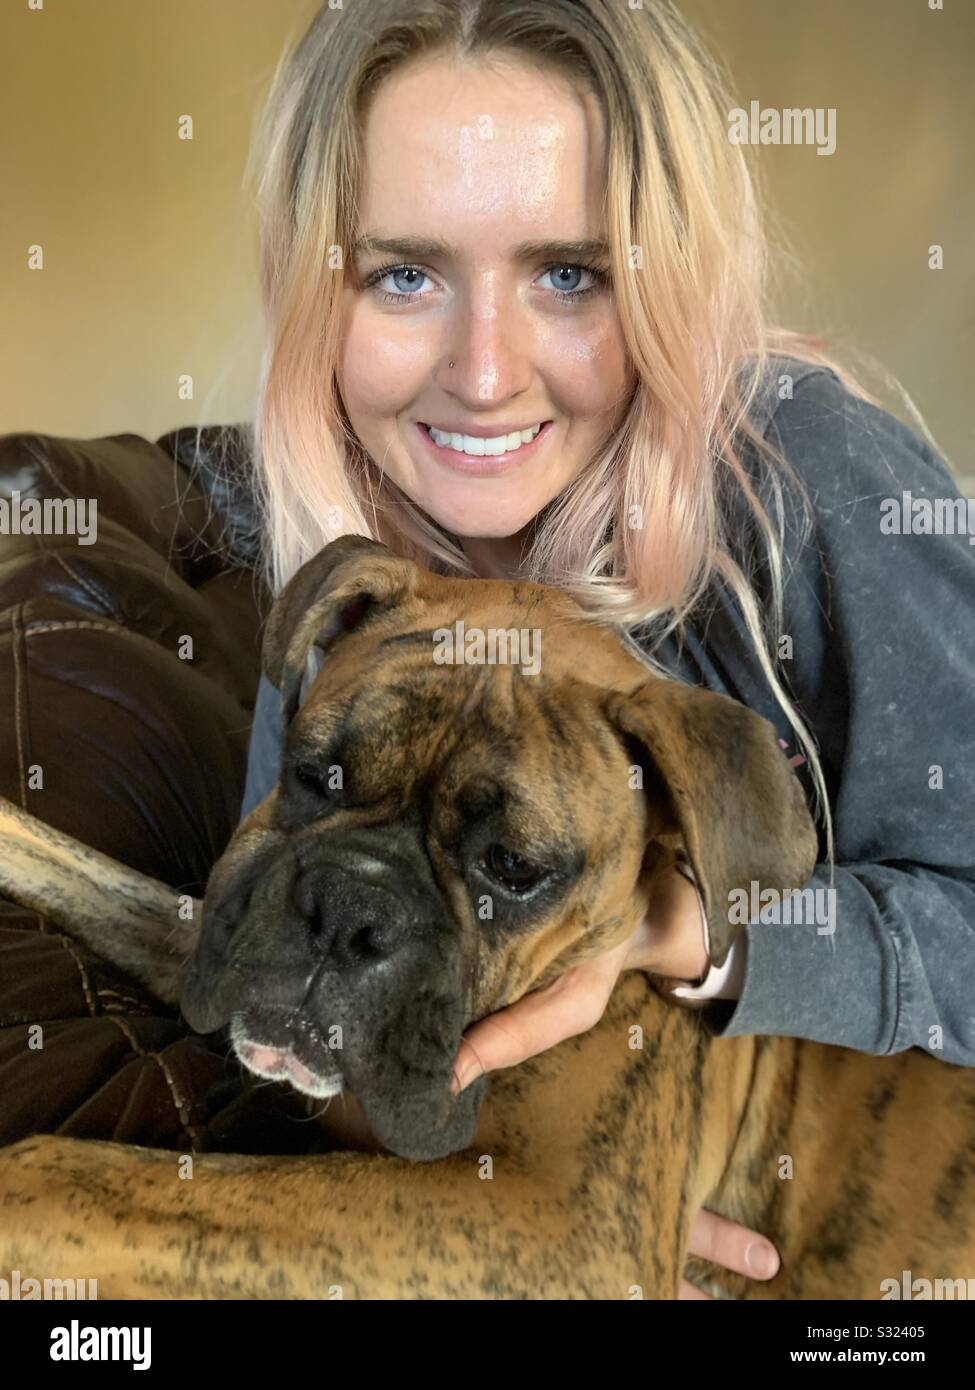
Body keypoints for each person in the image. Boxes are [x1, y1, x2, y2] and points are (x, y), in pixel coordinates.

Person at [229, 0, 975, 1298]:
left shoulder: (815, 485)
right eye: (404, 272)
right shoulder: (340, 566)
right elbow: (293, 962)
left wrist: (687, 926)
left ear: (666, 273)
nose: (482, 369)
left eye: (569, 273)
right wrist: (545, 1209)